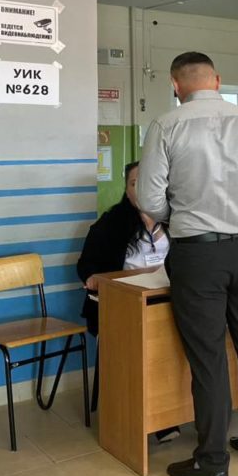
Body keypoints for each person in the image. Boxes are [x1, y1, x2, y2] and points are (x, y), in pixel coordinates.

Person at [137, 51, 238, 476]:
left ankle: (213, 458)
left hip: (197, 254)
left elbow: (149, 199)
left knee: (208, 356)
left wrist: (184, 215)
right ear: (217, 80)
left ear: (175, 85)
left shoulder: (166, 124)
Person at [76, 161, 178, 443]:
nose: (142, 188)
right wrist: (93, 278)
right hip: (124, 309)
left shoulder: (175, 220)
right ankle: (154, 418)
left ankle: (172, 410)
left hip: (168, 302)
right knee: (151, 344)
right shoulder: (110, 225)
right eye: (135, 183)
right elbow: (86, 266)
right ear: (127, 189)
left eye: (149, 182)